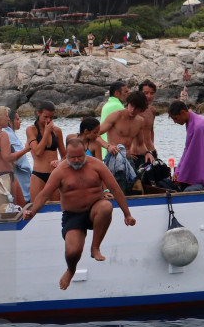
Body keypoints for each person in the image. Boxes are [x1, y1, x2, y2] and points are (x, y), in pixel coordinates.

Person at [23, 136, 136, 290]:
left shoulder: (97, 165)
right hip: (73, 214)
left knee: (106, 207)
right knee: (72, 252)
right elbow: (44, 194)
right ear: (66, 156)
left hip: (94, 209)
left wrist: (127, 214)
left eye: (80, 156)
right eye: (72, 157)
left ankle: (95, 247)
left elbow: (115, 188)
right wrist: (32, 211)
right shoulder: (60, 171)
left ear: (85, 152)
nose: (76, 160)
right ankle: (71, 270)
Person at [97, 90, 150, 194]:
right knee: (118, 191)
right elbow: (95, 135)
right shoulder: (116, 116)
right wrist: (108, 146)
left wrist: (148, 153)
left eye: (137, 108)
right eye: (131, 105)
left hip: (129, 159)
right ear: (128, 103)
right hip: (114, 158)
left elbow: (140, 145)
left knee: (136, 189)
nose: (132, 110)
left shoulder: (140, 121)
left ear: (142, 109)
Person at [26, 101, 65, 202]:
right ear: (38, 113)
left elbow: (64, 156)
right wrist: (47, 132)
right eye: (46, 117)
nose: (48, 120)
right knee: (37, 208)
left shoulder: (57, 131)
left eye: (51, 118)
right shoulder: (31, 130)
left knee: (56, 208)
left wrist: (60, 162)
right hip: (39, 174)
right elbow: (38, 152)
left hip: (54, 174)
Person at [5, 109, 32, 201]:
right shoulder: (8, 134)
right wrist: (26, 149)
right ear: (9, 121)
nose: (20, 121)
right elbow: (16, 159)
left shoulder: (9, 133)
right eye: (17, 119)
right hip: (21, 185)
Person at [99, 81, 129, 158]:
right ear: (116, 93)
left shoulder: (107, 104)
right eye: (125, 92)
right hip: (112, 148)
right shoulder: (117, 106)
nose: (128, 94)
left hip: (105, 147)